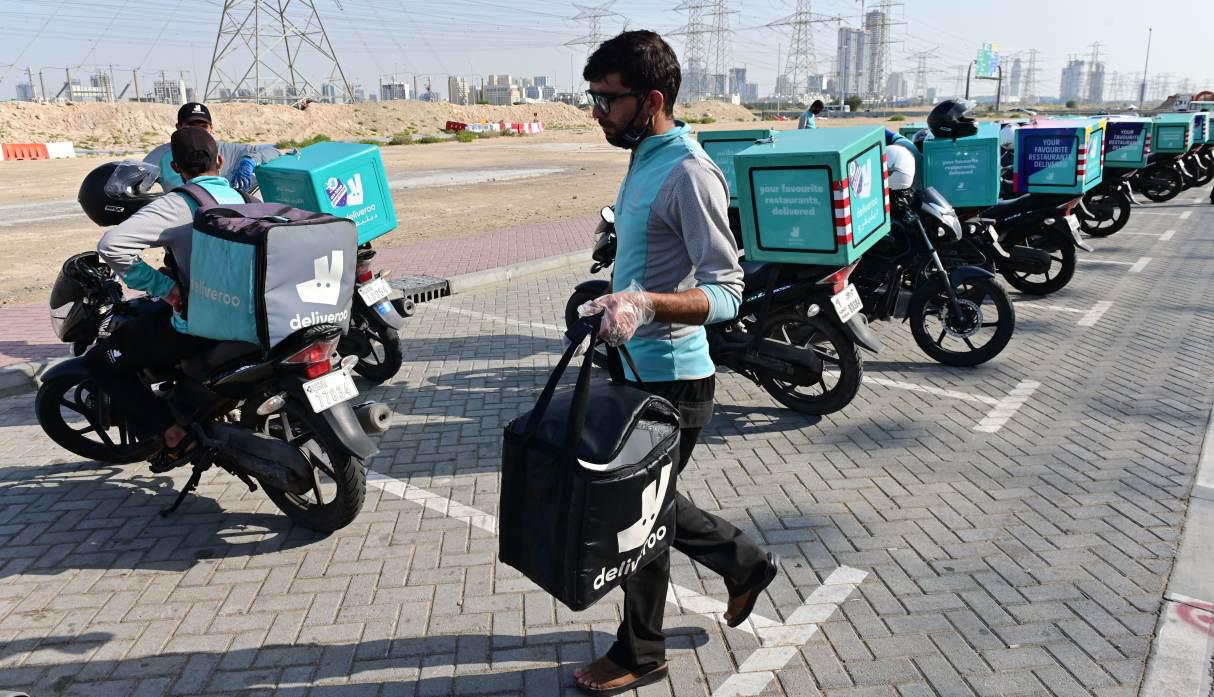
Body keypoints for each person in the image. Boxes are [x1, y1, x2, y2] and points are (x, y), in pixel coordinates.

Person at [572, 30, 778, 695]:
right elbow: (644, 261)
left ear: (651, 99)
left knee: (638, 515)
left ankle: (643, 651)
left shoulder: (689, 170)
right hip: (635, 371)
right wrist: (608, 297)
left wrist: (647, 305)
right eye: (593, 97)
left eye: (608, 99)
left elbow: (727, 290)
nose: (597, 111)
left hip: (675, 381)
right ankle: (743, 562)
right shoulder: (645, 154)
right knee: (645, 506)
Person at [84, 128, 249, 470]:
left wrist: (164, 288)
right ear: (220, 160)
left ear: (175, 166)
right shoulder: (245, 200)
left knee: (102, 361)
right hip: (252, 316)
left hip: (202, 325)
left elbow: (112, 245)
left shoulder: (178, 204)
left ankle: (175, 437)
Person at [143, 102, 280, 193]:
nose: (198, 132)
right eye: (191, 126)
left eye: (203, 127)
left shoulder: (228, 150)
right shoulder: (160, 155)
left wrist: (250, 160)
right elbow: (138, 184)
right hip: (179, 215)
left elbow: (275, 150)